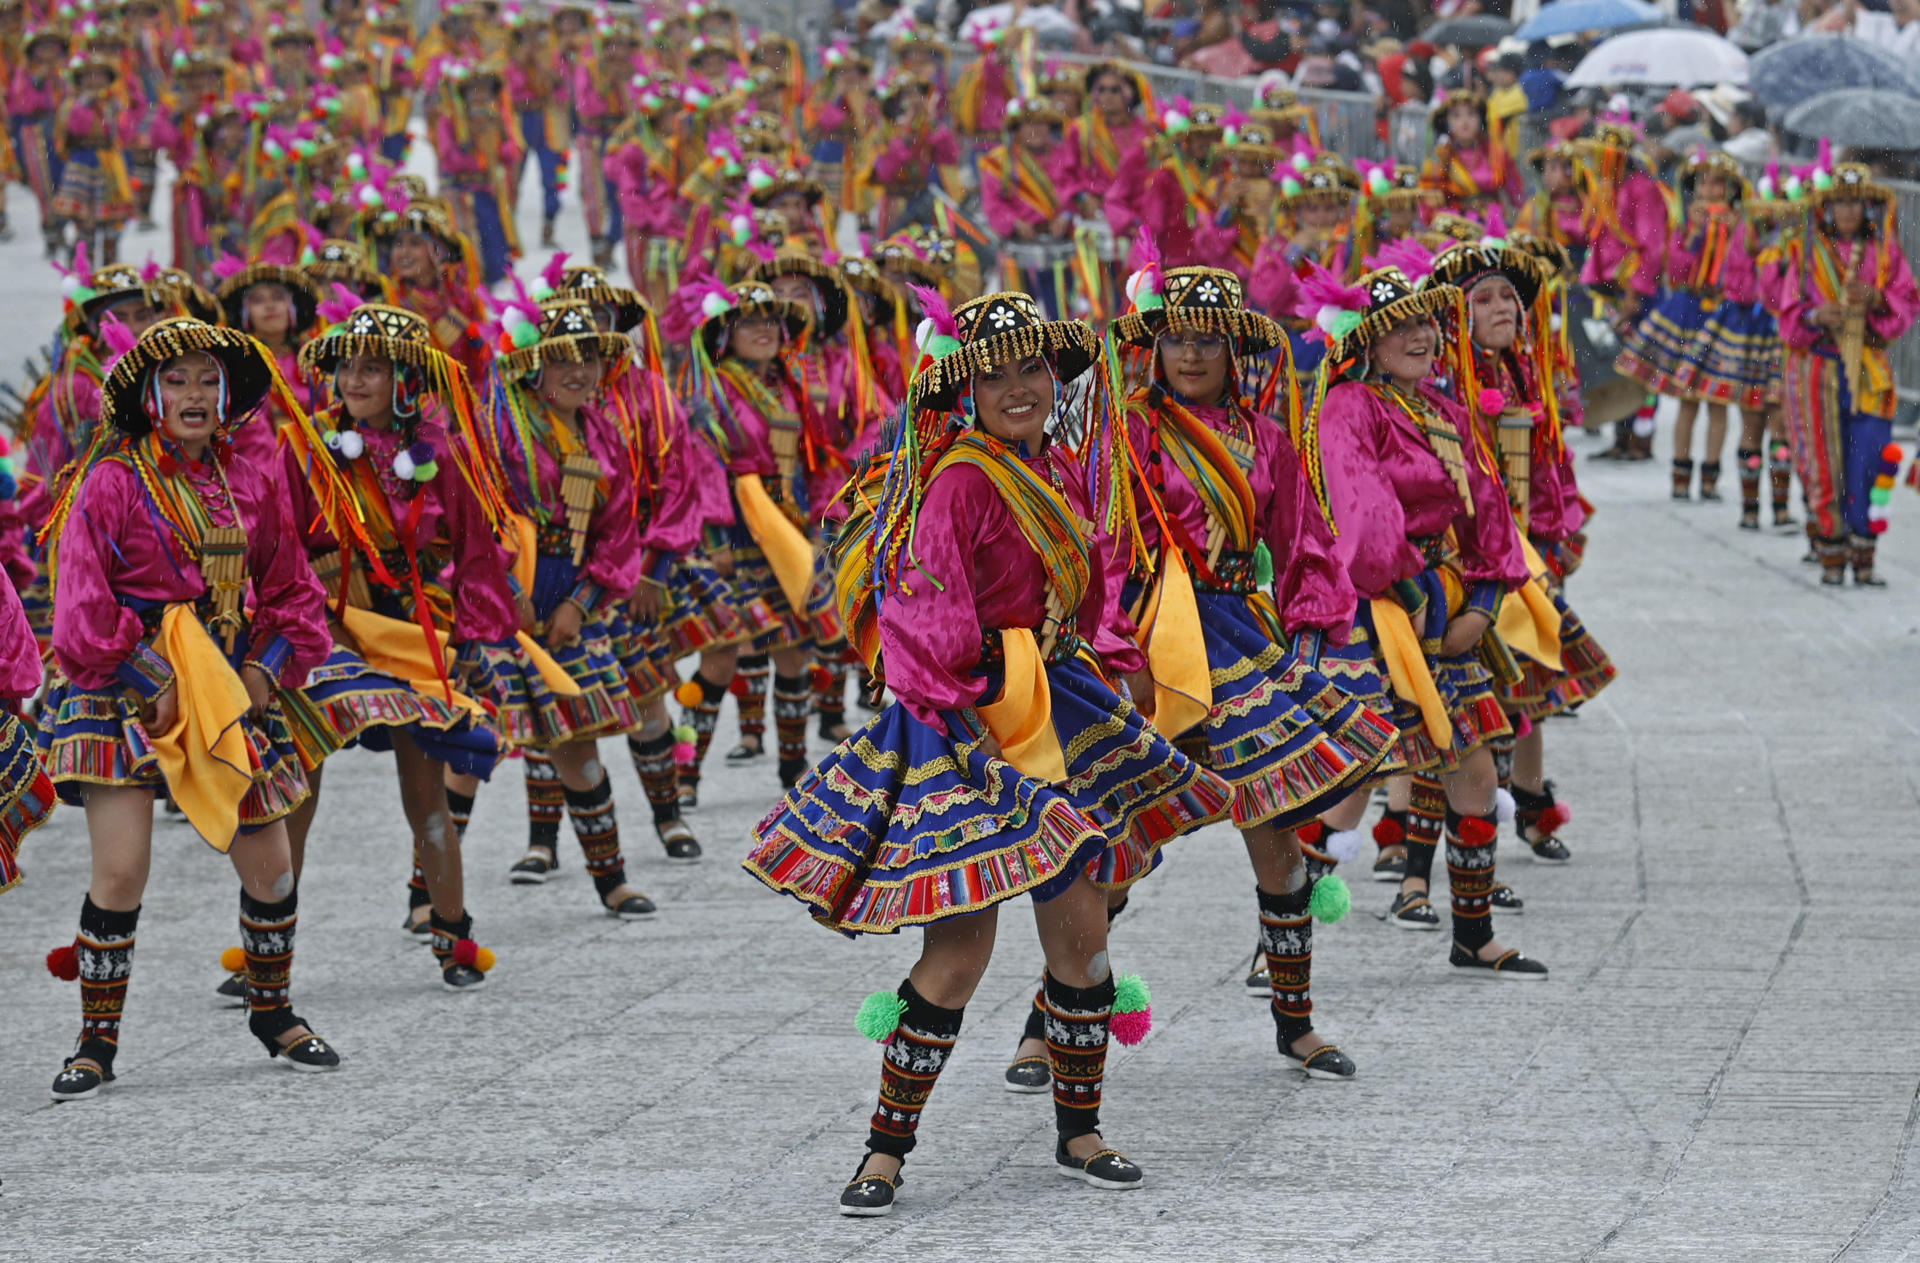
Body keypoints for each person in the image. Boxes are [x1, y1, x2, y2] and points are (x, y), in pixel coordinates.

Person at [744, 289, 1231, 1215]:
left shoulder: (1066, 464)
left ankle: (1080, 1133)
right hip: (965, 718)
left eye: (1030, 370)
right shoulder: (962, 481)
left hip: (1058, 702)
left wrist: (1117, 661)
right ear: (963, 391)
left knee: (1082, 940)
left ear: (1054, 378)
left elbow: (1097, 591)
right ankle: (884, 1152)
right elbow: (923, 621)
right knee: (959, 954)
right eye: (994, 374)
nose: (1017, 388)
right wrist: (972, 721)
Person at [38, 316, 338, 1100]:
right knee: (122, 870)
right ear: (149, 394)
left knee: (271, 871)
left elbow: (292, 589)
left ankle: (271, 1012)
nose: (196, 394)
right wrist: (147, 673)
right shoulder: (109, 481)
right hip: (126, 690)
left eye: (209, 379)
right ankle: (95, 1042)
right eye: (178, 380)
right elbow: (79, 609)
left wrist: (268, 664)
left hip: (227, 692)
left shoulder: (256, 477)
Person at [1291, 263, 1548, 977]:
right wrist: (1429, 602)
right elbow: (1366, 520)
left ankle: (1474, 933)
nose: (1423, 336)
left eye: (1428, 323)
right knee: (1350, 781)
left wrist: (1484, 606)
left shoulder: (1444, 413)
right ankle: (1279, 944)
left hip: (1443, 607)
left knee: (1470, 768)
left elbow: (1490, 514)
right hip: (1381, 612)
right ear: (1367, 343)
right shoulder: (1348, 407)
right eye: (1403, 325)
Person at [273, 301, 507, 983]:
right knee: (298, 785)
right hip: (330, 631)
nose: (354, 380)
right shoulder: (305, 446)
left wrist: (469, 635)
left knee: (424, 793)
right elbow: (277, 536)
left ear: (405, 380)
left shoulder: (443, 453)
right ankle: (269, 945)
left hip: (414, 632)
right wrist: (306, 575)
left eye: (372, 368)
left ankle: (454, 939)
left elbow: (474, 552)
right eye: (347, 366)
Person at [452, 296, 660, 916]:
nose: (581, 370)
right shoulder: (494, 425)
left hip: (569, 601)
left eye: (592, 357)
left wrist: (580, 601)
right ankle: (425, 892)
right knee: (470, 747)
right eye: (565, 358)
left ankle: (612, 880)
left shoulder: (603, 432)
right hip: (498, 605)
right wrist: (501, 590)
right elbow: (470, 515)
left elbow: (617, 531)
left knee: (578, 745)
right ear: (534, 366)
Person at [1428, 237, 1617, 866]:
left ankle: (1532, 804)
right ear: (1457, 315)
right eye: (1484, 298)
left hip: (1530, 546)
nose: (1503, 307)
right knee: (1460, 691)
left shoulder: (1526, 369)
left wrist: (1553, 531)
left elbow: (1551, 464)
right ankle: (1417, 837)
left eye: (1509, 295)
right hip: (1469, 555)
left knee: (1534, 679)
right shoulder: (1443, 382)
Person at [1777, 161, 1920, 586]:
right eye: (1840, 202)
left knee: (1871, 459)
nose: (1848, 212)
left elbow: (1907, 299)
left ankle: (1864, 553)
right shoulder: (1805, 251)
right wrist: (1816, 314)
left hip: (1868, 369)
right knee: (1821, 461)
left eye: (1856, 204)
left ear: (1868, 209)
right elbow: (1786, 313)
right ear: (1827, 208)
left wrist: (1876, 298)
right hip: (1816, 366)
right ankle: (1831, 551)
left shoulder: (1884, 250)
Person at [1615, 151, 1772, 503]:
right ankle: (1681, 475)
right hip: (1689, 311)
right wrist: (1694, 237)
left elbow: (1747, 270)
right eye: (1702, 181)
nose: (1708, 188)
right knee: (1687, 400)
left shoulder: (1743, 224)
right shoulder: (1688, 222)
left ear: (1732, 189)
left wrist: (1735, 238)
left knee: (1717, 402)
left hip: (1723, 314)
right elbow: (1677, 270)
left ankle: (1711, 476)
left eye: (1717, 181)